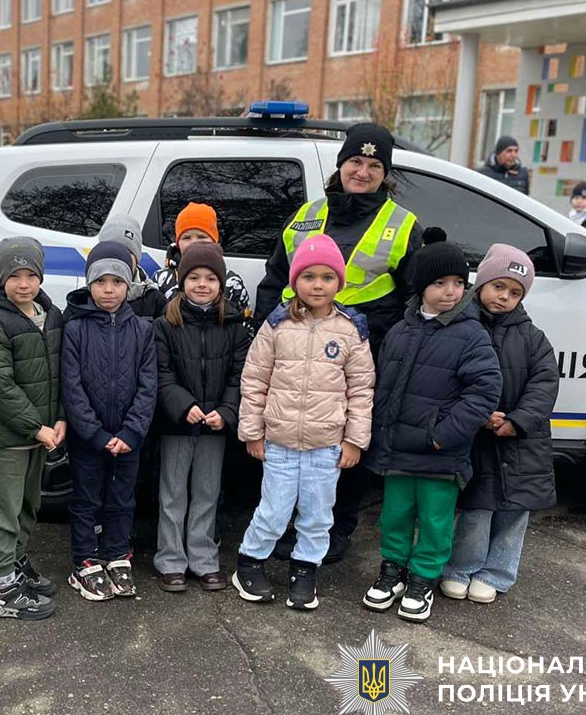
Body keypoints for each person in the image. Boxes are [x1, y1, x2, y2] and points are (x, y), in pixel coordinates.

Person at [253, 123, 423, 564]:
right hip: (297, 347)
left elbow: (413, 298)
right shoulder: (307, 214)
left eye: (373, 165)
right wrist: (266, 332)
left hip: (364, 351)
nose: (362, 172)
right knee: (292, 444)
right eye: (355, 162)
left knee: (345, 445)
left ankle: (334, 531)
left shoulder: (402, 225)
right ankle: (288, 528)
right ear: (341, 164)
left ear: (384, 173)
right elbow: (275, 278)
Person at [361, 239, 502, 623]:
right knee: (395, 516)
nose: (451, 291)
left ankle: (423, 578)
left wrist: (444, 434)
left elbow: (485, 390)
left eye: (458, 282)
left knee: (436, 521)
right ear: (421, 287)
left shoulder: (471, 334)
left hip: (440, 453)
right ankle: (393, 571)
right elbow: (382, 385)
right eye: (440, 282)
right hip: (397, 450)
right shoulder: (400, 330)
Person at [234, 235, 375, 609]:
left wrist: (354, 440)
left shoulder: (350, 330)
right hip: (278, 442)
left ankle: (304, 571)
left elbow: (362, 389)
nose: (317, 285)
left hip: (326, 445)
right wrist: (252, 431)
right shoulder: (277, 325)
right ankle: (249, 564)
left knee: (317, 515)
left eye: (327, 277)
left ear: (339, 283)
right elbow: (254, 379)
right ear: (294, 280)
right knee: (274, 511)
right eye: (308, 276)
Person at [442, 245, 558, 604]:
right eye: (499, 287)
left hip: (522, 443)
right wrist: (479, 414)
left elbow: (545, 382)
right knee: (476, 509)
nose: (504, 297)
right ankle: (460, 568)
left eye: (514, 292)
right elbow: (448, 377)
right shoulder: (462, 327)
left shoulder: (532, 337)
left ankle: (496, 573)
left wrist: (519, 420)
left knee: (513, 514)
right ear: (482, 284)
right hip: (477, 437)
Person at [61, 241, 157, 601]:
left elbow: (149, 385)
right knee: (86, 499)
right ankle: (85, 560)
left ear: (128, 285)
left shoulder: (143, 330)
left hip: (128, 437)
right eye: (100, 282)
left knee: (122, 499)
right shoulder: (76, 329)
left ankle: (117, 554)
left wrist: (131, 430)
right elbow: (72, 387)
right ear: (89, 284)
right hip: (90, 438)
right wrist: (96, 433)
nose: (108, 290)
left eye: (117, 282)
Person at [152, 243, 251, 593]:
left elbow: (240, 375)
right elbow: (161, 373)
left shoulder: (235, 324)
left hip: (215, 426)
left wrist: (226, 412)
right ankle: (170, 559)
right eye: (194, 277)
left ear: (221, 283)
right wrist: (183, 406)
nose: (202, 284)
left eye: (211, 278)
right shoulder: (165, 323)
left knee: (208, 492)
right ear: (182, 281)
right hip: (177, 423)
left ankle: (203, 558)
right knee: (173, 493)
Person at [0, 237, 64, 620]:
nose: (23, 284)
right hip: (12, 438)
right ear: (3, 278)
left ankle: (16, 562)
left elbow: (62, 374)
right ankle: (2, 586)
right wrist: (36, 427)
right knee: (4, 509)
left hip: (43, 433)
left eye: (31, 275)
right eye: (15, 275)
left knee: (31, 505)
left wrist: (60, 418)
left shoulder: (52, 315)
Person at [151, 202, 252, 328]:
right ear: (177, 243)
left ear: (214, 240)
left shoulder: (231, 282)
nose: (194, 243)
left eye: (202, 237)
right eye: (186, 238)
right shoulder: (161, 280)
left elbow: (245, 325)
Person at [68, 213, 165, 322]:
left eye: (126, 252)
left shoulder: (155, 300)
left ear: (137, 257)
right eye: (100, 281)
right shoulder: (81, 301)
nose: (119, 257)